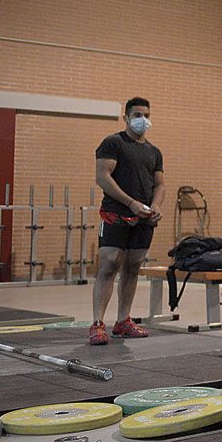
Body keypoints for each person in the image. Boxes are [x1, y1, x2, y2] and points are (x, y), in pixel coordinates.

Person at [90, 97, 163, 345]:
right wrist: (130, 202)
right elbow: (103, 177)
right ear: (126, 117)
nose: (142, 119)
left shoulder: (154, 152)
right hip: (115, 215)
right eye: (137, 115)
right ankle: (98, 323)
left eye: (146, 115)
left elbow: (160, 184)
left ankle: (123, 321)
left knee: (133, 267)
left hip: (143, 219)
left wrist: (155, 206)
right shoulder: (113, 143)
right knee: (109, 265)